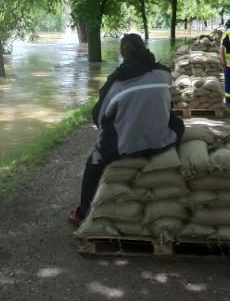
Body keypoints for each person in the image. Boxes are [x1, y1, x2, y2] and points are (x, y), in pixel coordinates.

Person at [69, 33, 184, 226]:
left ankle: (82, 213)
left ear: (124, 53)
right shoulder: (164, 73)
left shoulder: (116, 82)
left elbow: (99, 117)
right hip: (162, 141)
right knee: (176, 122)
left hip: (128, 147)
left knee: (94, 162)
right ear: (145, 49)